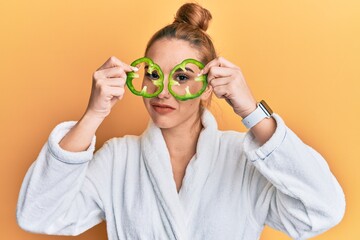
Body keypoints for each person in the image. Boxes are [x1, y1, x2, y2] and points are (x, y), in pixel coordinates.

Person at [16, 3, 345, 240]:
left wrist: (251, 112)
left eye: (182, 76)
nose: (162, 91)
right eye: (154, 75)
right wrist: (93, 115)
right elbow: (38, 214)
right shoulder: (119, 160)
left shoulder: (242, 160)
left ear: (206, 88)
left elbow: (322, 210)